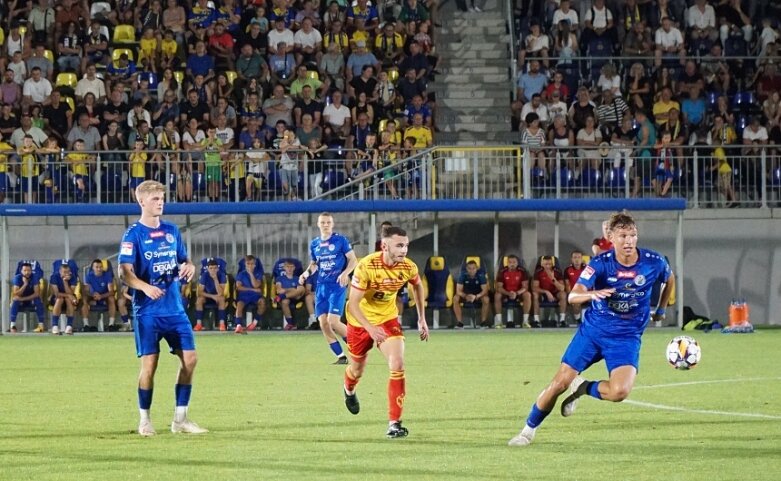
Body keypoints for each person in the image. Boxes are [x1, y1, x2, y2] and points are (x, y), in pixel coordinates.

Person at [508, 212, 674, 447]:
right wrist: (592, 294)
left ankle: (584, 387)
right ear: (612, 238)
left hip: (626, 337)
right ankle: (527, 430)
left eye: (633, 235)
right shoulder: (600, 264)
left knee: (620, 392)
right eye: (623, 236)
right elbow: (574, 295)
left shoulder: (653, 261)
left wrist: (661, 309)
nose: (629, 241)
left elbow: (670, 278)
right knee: (559, 383)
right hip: (594, 333)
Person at [118, 180, 205, 437]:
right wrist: (144, 287)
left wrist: (190, 266)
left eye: (162, 198)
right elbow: (124, 272)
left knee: (190, 360)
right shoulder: (132, 235)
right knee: (150, 366)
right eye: (155, 199)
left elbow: (184, 260)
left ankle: (180, 419)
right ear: (142, 201)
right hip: (148, 311)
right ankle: (144, 420)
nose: (160, 202)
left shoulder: (171, 230)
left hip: (175, 309)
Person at [343, 225, 428, 438]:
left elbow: (417, 286)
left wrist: (421, 318)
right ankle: (349, 390)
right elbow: (353, 304)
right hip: (359, 322)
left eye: (406, 245)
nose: (404, 250)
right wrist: (370, 328)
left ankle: (394, 424)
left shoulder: (408, 267)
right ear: (385, 246)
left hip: (387, 319)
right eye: (399, 245)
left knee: (397, 363)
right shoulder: (367, 266)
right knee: (356, 370)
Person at [299, 212, 359, 364]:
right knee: (324, 324)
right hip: (321, 287)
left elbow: (353, 260)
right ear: (318, 224)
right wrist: (305, 274)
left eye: (328, 222)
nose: (325, 225)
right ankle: (341, 357)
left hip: (337, 286)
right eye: (323, 222)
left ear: (332, 224)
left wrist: (346, 273)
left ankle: (359, 347)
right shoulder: (315, 244)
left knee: (333, 322)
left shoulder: (340, 240)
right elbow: (314, 264)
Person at [81, 259, 124, 332]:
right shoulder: (88, 276)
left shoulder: (107, 275)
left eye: (100, 267)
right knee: (84, 298)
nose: (99, 269)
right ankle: (86, 325)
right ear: (93, 268)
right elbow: (85, 291)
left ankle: (111, 325)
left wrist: (101, 296)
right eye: (97, 267)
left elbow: (111, 292)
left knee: (112, 299)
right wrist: (93, 294)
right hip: (93, 297)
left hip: (105, 296)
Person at [493, 255, 532, 328]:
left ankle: (525, 321)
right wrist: (508, 293)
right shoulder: (502, 271)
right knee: (497, 295)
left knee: (527, 294)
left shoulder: (523, 271)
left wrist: (516, 293)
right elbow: (499, 287)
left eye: (514, 262)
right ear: (507, 263)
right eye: (510, 262)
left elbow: (525, 287)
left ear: (517, 263)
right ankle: (499, 322)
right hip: (505, 292)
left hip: (518, 292)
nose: (512, 264)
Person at [452, 260, 490, 328]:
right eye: (469, 268)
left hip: (478, 296)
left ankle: (483, 322)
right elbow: (458, 291)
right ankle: (460, 323)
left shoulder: (481, 275)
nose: (471, 270)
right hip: (465, 295)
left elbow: (485, 290)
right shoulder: (462, 275)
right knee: (455, 298)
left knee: (486, 299)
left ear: (477, 268)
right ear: (466, 269)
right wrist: (466, 296)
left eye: (473, 268)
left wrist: (476, 296)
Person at [9, 262, 45, 333]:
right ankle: (12, 325)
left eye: (28, 270)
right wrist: (25, 284)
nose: (27, 272)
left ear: (31, 271)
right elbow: (16, 294)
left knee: (38, 300)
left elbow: (36, 294)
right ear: (21, 271)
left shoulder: (35, 277)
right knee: (15, 300)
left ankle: (41, 325)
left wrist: (23, 298)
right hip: (20, 301)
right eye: (25, 270)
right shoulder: (17, 278)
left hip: (31, 300)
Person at [532, 256, 567, 328]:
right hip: (543, 293)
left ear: (552, 264)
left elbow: (562, 288)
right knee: (535, 295)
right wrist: (546, 292)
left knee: (563, 294)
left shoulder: (557, 272)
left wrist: (553, 279)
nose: (547, 266)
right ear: (542, 264)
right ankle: (536, 320)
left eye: (549, 264)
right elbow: (534, 288)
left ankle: (562, 320)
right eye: (545, 264)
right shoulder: (538, 273)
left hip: (555, 293)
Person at [234, 255, 266, 333]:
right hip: (244, 296)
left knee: (262, 303)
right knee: (239, 305)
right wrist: (253, 290)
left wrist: (251, 274)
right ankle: (238, 326)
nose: (250, 265)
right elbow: (239, 287)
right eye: (248, 264)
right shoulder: (241, 274)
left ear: (255, 265)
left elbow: (256, 285)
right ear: (245, 264)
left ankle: (254, 324)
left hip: (255, 296)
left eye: (252, 264)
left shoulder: (258, 273)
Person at [194, 259, 227, 332]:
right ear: (208, 269)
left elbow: (220, 293)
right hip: (207, 296)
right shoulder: (204, 275)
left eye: (215, 268)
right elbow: (200, 292)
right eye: (211, 268)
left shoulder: (222, 275)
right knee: (199, 300)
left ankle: (222, 324)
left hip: (218, 296)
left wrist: (215, 279)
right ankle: (198, 324)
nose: (213, 270)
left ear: (218, 268)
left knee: (222, 299)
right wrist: (212, 296)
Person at [275, 261, 307, 330]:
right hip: (287, 298)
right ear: (284, 268)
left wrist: (286, 291)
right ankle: (290, 324)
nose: (289, 269)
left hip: (297, 298)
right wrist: (292, 289)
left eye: (291, 267)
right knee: (284, 301)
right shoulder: (279, 278)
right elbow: (279, 290)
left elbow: (300, 291)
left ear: (294, 268)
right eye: (287, 267)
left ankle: (282, 297)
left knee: (302, 288)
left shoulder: (297, 278)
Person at [49, 263, 79, 335]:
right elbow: (56, 293)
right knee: (60, 299)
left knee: (68, 300)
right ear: (60, 272)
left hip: (69, 298)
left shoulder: (73, 277)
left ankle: (69, 326)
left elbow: (71, 292)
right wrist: (69, 296)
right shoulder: (54, 277)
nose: (66, 274)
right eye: (64, 272)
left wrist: (65, 282)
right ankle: (55, 326)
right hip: (57, 298)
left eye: (68, 272)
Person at [563, 250, 587, 324]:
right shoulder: (567, 270)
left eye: (579, 257)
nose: (577, 259)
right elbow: (567, 284)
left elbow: (592, 282)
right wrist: (570, 295)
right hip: (574, 294)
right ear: (572, 259)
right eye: (575, 257)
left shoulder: (587, 269)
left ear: (582, 259)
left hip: (587, 293)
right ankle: (578, 320)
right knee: (576, 301)